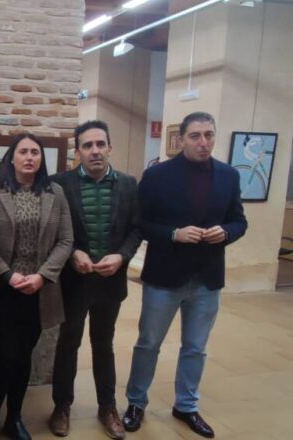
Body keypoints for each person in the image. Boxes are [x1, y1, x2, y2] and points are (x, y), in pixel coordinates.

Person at [123, 112, 247, 438]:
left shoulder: (229, 175)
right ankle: (136, 402)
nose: (203, 142)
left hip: (207, 277)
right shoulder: (157, 175)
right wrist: (173, 234)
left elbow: (239, 221)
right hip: (165, 276)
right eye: (195, 136)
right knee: (149, 343)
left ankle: (186, 406)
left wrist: (227, 232)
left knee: (196, 347)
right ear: (181, 139)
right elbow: (140, 223)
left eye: (209, 135)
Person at [0, 133, 74, 440]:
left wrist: (43, 275)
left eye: (35, 152)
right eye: (23, 152)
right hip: (4, 290)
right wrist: (7, 274)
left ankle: (14, 418)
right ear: (12, 158)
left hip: (39, 292)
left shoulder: (55, 193)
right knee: (2, 356)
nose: (30, 157)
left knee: (23, 357)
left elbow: (66, 240)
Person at [47, 121, 141, 439]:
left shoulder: (128, 184)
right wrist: (72, 252)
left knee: (104, 345)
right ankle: (61, 406)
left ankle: (107, 407)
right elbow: (53, 229)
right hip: (74, 281)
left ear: (110, 148)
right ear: (78, 152)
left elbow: (136, 229)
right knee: (68, 344)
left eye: (100, 144)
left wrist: (122, 256)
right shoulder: (60, 184)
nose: (95, 151)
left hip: (110, 282)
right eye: (87, 145)